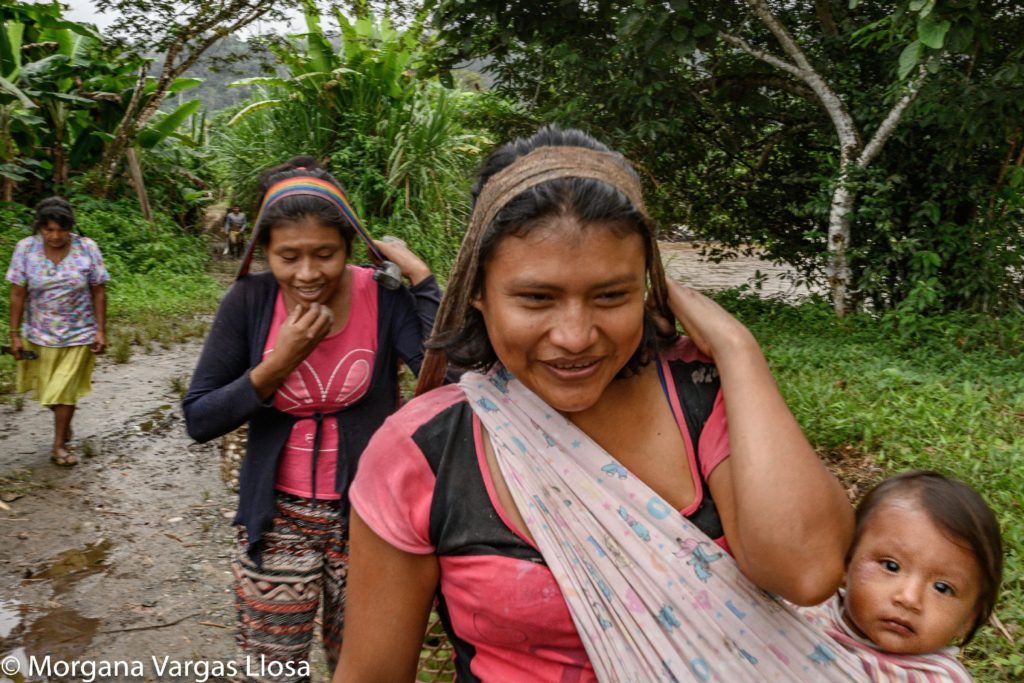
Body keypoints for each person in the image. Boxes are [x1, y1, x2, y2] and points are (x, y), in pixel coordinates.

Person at [334, 125, 858, 682]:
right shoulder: (423, 451)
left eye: (612, 295)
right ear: (478, 293)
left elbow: (807, 571)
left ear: (650, 288)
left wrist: (738, 350)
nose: (576, 335)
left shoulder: (705, 398)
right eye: (536, 298)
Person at [183, 156, 441, 681]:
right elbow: (199, 416)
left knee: (367, 667)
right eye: (288, 257)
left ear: (350, 248)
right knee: (272, 669)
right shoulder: (249, 302)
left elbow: (444, 380)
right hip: (277, 520)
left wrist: (422, 280)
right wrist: (276, 365)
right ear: (264, 253)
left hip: (370, 519)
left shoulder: (382, 297)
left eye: (324, 254)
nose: (306, 273)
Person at [803, 470, 1002, 682]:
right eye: (891, 566)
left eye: (942, 588)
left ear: (969, 619)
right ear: (847, 561)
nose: (909, 599)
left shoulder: (938, 679)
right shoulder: (800, 610)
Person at [5, 196, 109, 467]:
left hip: (79, 333)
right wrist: (14, 334)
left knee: (64, 390)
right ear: (39, 227)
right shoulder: (25, 249)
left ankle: (59, 444)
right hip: (39, 334)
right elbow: (17, 293)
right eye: (48, 229)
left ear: (70, 227)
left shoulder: (87, 248)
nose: (55, 236)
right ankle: (65, 421)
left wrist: (100, 330)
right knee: (48, 391)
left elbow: (98, 290)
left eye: (61, 229)